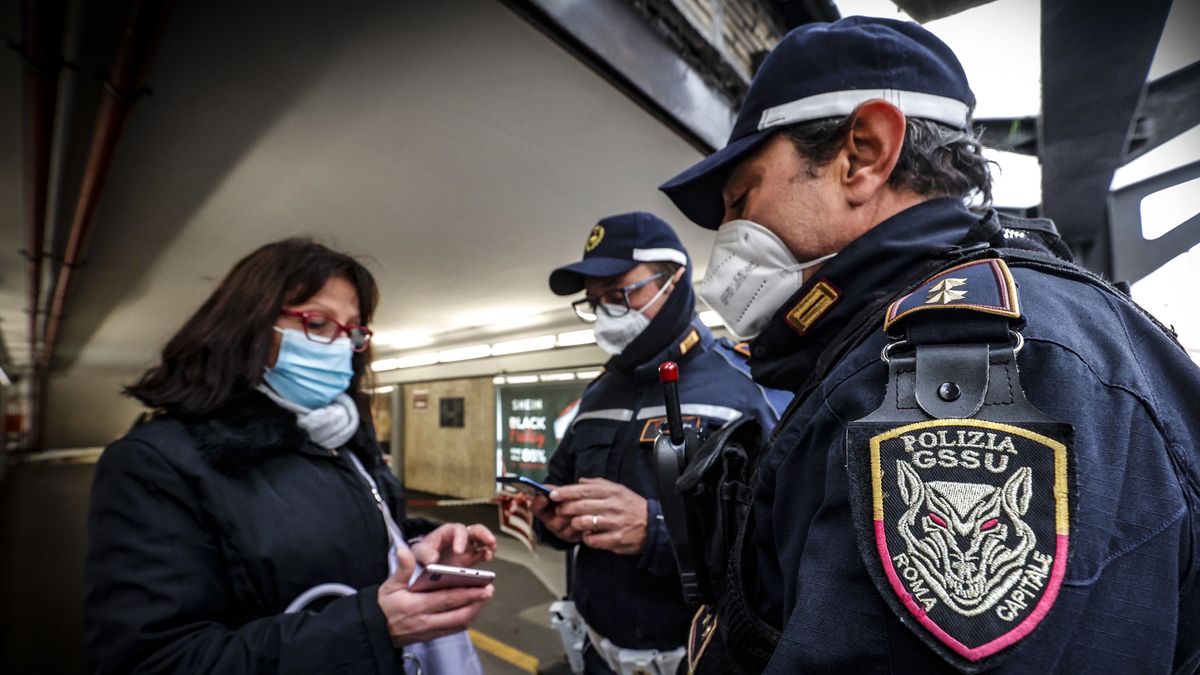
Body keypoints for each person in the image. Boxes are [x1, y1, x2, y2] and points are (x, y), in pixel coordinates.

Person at [658, 16, 1200, 674]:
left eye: (742, 198)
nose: (730, 234)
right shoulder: (1008, 325)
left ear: (862, 155)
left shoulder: (950, 359)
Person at [84, 238, 498, 674]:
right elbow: (154, 661)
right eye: (318, 323)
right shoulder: (157, 463)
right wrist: (372, 628)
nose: (340, 346)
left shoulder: (342, 437)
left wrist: (419, 545)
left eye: (352, 331)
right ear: (248, 327)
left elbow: (339, 537)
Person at [531, 212, 791, 675]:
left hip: (698, 658)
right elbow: (559, 481)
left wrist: (656, 529)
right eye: (595, 302)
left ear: (674, 279)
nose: (607, 313)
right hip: (595, 652)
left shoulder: (746, 389)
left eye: (620, 294)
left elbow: (781, 540)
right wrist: (552, 519)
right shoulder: (596, 395)